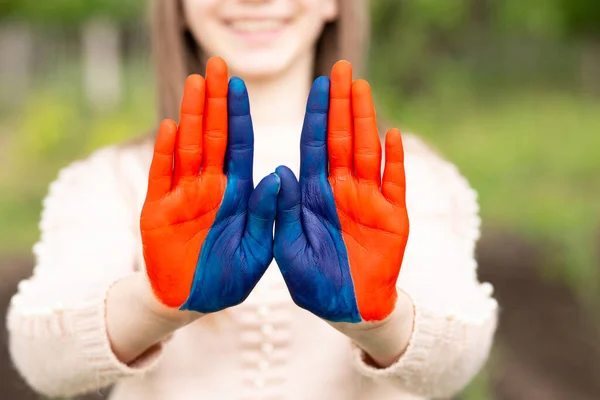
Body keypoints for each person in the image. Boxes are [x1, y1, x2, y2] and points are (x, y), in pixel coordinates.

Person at [6, 0, 498, 399]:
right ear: (176, 6)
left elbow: (458, 360)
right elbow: (41, 359)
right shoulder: (115, 179)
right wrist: (157, 304)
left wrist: (382, 319)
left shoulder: (404, 176)